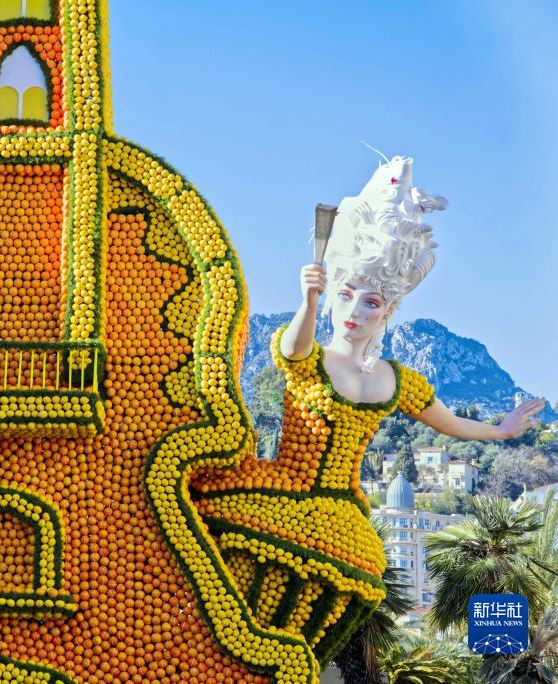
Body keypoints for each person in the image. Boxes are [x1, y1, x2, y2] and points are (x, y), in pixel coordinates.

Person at [190, 156, 544, 668]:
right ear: (333, 299)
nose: (355, 312)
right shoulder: (311, 359)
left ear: (388, 311)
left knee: (354, 574)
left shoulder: (394, 380)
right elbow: (291, 348)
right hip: (280, 492)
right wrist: (309, 300)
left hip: (345, 514)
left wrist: (503, 430)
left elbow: (449, 423)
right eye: (346, 296)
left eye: (371, 303)